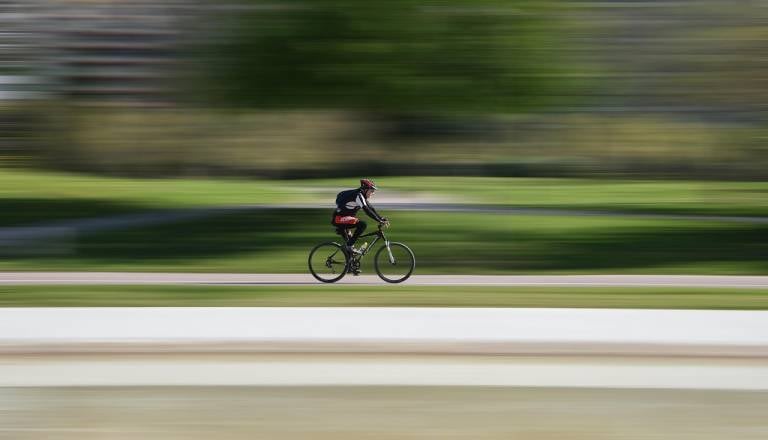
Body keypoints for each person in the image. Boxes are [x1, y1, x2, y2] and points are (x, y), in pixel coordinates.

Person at [332, 178, 388, 255]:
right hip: (339, 219)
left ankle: (350, 262)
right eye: (371, 191)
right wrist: (378, 220)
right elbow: (367, 211)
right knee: (362, 225)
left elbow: (371, 208)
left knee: (351, 249)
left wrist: (380, 218)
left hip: (343, 218)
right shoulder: (358, 196)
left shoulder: (361, 196)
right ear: (365, 190)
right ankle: (349, 246)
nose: (372, 193)